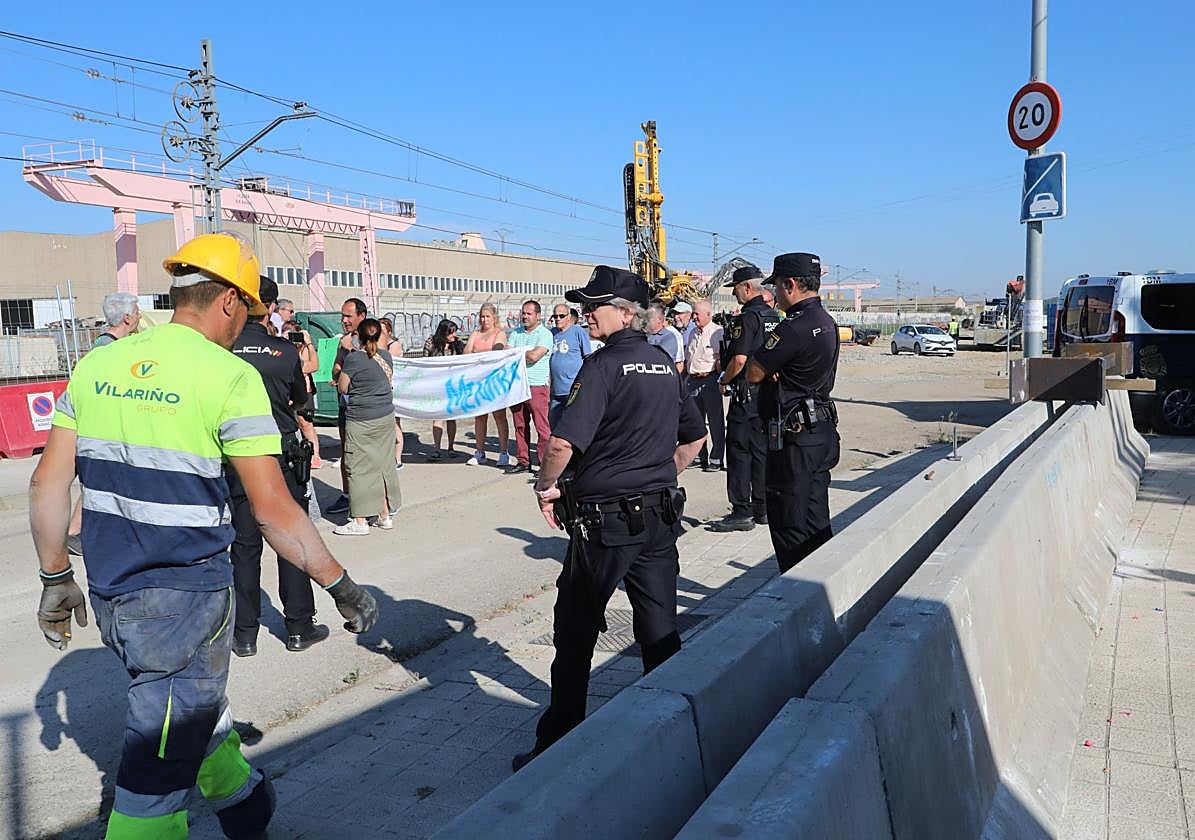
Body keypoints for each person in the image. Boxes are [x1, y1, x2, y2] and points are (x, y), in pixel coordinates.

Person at [29, 231, 378, 840]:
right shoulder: (228, 377)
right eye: (247, 311)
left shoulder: (97, 364)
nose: (244, 326)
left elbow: (46, 486)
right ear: (229, 301)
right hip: (185, 601)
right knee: (152, 783)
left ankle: (246, 807)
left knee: (187, 710)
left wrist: (56, 577)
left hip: (110, 592)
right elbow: (275, 512)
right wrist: (341, 586)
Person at [512, 265, 706, 771]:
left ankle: (559, 744)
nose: (584, 314)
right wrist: (657, 475)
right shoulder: (663, 363)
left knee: (575, 631)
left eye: (592, 306)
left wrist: (545, 486)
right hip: (659, 515)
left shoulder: (601, 366)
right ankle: (671, 737)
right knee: (660, 629)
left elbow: (560, 443)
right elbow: (695, 437)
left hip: (605, 524)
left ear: (624, 313)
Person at [229, 276, 327, 656]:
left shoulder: (224, 349)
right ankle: (299, 627)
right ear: (270, 307)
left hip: (238, 455)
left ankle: (244, 634)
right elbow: (300, 400)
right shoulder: (284, 351)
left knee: (244, 546)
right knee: (290, 538)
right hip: (281, 452)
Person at [747, 252, 841, 573]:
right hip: (820, 431)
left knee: (789, 522)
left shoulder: (794, 327)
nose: (775, 293)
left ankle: (795, 592)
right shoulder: (826, 322)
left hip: (794, 439)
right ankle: (823, 584)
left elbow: (754, 372)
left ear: (790, 285)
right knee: (815, 520)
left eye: (776, 286)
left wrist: (775, 369)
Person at [66, 291, 142, 555]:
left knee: (101, 481)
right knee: (96, 482)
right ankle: (75, 532)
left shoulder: (108, 345)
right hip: (103, 428)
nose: (140, 316)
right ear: (127, 318)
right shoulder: (108, 349)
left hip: (105, 426)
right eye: (137, 312)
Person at [708, 265, 780, 532]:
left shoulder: (747, 318)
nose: (734, 294)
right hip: (766, 395)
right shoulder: (773, 316)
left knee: (739, 453)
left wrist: (724, 380)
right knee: (761, 452)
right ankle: (762, 508)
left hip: (745, 394)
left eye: (735, 288)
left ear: (747, 287)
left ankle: (741, 511)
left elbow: (739, 359)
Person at [335, 318, 402, 535]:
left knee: (358, 468)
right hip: (385, 417)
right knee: (382, 464)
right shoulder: (386, 356)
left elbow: (343, 387)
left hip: (361, 419)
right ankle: (384, 514)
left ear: (360, 337)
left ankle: (360, 520)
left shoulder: (354, 359)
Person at [327, 297, 367, 514]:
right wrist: (338, 367)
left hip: (366, 407)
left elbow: (372, 368)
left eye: (348, 316)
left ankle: (371, 500)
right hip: (346, 405)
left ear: (361, 316)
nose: (344, 320)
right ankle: (346, 494)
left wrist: (350, 350)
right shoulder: (343, 340)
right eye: (342, 316)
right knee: (346, 451)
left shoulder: (372, 338)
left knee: (365, 453)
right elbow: (335, 370)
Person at [505, 299, 553, 475]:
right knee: (520, 425)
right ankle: (523, 461)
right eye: (523, 313)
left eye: (529, 313)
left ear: (538, 316)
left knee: (542, 426)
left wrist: (516, 354)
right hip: (517, 385)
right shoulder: (515, 333)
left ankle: (544, 464)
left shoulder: (545, 334)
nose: (525, 316)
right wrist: (522, 353)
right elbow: (507, 354)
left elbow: (534, 357)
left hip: (536, 385)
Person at [463, 302, 510, 466]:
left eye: (488, 316)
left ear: (494, 317)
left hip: (495, 380)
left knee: (499, 416)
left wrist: (479, 355)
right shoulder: (476, 333)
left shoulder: (499, 333)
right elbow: (467, 352)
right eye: (482, 316)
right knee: (479, 416)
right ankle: (479, 451)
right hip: (478, 381)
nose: (484, 320)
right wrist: (479, 355)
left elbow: (497, 350)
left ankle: (503, 452)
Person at [685, 300, 725, 472]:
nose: (694, 317)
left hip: (710, 380)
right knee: (696, 422)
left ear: (708, 314)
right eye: (693, 314)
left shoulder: (717, 332)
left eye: (697, 314)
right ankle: (698, 456)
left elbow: (722, 357)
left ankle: (716, 458)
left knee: (715, 422)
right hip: (692, 380)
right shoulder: (693, 332)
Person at [284, 317, 323, 470]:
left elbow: (312, 366)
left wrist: (308, 343)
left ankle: (315, 456)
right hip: (287, 390)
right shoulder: (282, 349)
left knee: (305, 423)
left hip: (303, 390)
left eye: (294, 334)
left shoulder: (304, 349)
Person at [423, 319, 465, 459]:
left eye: (455, 332)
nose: (454, 335)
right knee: (438, 417)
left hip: (452, 386)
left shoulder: (458, 345)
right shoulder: (431, 343)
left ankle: (451, 447)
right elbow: (424, 363)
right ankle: (437, 449)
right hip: (436, 386)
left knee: (451, 418)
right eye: (451, 332)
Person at [548, 303, 591, 427]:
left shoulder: (578, 331)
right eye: (555, 316)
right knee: (554, 424)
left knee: (573, 425)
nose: (558, 319)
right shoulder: (552, 333)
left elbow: (588, 357)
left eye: (561, 316)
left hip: (573, 389)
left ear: (568, 317)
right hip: (556, 390)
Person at [379, 317, 406, 470]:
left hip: (394, 388)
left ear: (389, 332)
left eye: (383, 330)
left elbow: (386, 360)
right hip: (381, 387)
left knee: (395, 423)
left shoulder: (394, 345)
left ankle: (397, 457)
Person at [646, 303, 685, 373]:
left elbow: (679, 364)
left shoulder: (671, 336)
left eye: (649, 317)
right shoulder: (643, 334)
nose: (645, 320)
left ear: (659, 319)